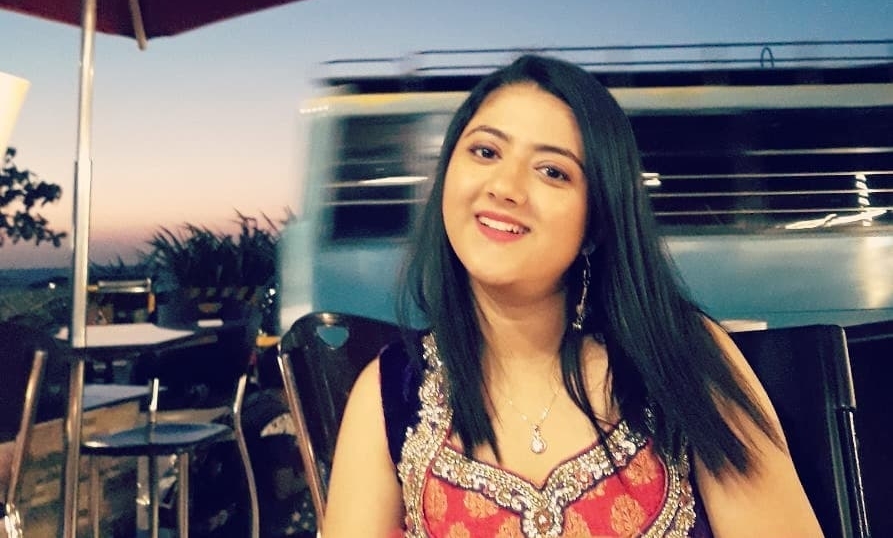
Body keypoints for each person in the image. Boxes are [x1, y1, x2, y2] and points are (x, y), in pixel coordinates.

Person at [323, 55, 824, 537]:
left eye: (553, 171)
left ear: (596, 223)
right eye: (486, 151)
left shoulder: (683, 358)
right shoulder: (391, 393)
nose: (505, 186)